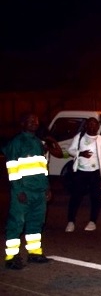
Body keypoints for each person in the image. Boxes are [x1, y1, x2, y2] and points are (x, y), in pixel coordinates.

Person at [3, 112, 63, 270]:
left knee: (36, 223)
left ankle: (34, 253)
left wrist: (47, 188)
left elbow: (43, 168)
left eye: (36, 121)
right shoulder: (16, 142)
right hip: (23, 191)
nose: (34, 123)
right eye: (30, 121)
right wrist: (18, 190)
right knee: (16, 224)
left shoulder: (38, 143)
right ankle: (11, 257)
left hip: (39, 191)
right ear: (22, 124)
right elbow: (12, 168)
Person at [65, 117, 101, 232]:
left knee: (95, 198)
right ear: (86, 126)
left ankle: (92, 221)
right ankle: (71, 221)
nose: (92, 126)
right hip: (80, 172)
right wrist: (80, 153)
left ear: (98, 127)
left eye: (95, 124)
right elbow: (70, 150)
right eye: (90, 124)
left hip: (95, 173)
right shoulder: (80, 137)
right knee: (76, 197)